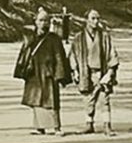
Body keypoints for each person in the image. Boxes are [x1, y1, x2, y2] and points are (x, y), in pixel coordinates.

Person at [14, 7, 72, 136]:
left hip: (49, 73)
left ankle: (56, 127)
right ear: (35, 21)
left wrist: (60, 75)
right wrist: (22, 70)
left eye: (46, 20)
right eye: (40, 20)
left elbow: (59, 57)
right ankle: (39, 127)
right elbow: (23, 55)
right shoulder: (30, 38)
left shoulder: (54, 38)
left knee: (52, 100)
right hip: (34, 72)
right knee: (36, 100)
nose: (43, 23)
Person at [69, 8, 119, 136]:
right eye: (93, 18)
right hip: (86, 72)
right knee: (88, 99)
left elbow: (112, 54)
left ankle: (107, 125)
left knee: (104, 99)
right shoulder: (78, 38)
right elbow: (73, 55)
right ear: (86, 20)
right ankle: (89, 124)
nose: (96, 21)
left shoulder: (104, 37)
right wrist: (75, 71)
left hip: (101, 72)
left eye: (97, 18)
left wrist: (110, 73)